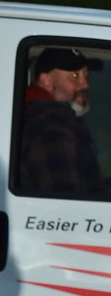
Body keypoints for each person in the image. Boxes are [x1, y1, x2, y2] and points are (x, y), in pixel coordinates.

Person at [19, 46, 107, 196]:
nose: (85, 84)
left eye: (86, 76)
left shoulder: (56, 118)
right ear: (46, 80)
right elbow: (64, 194)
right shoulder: (50, 123)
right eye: (74, 76)